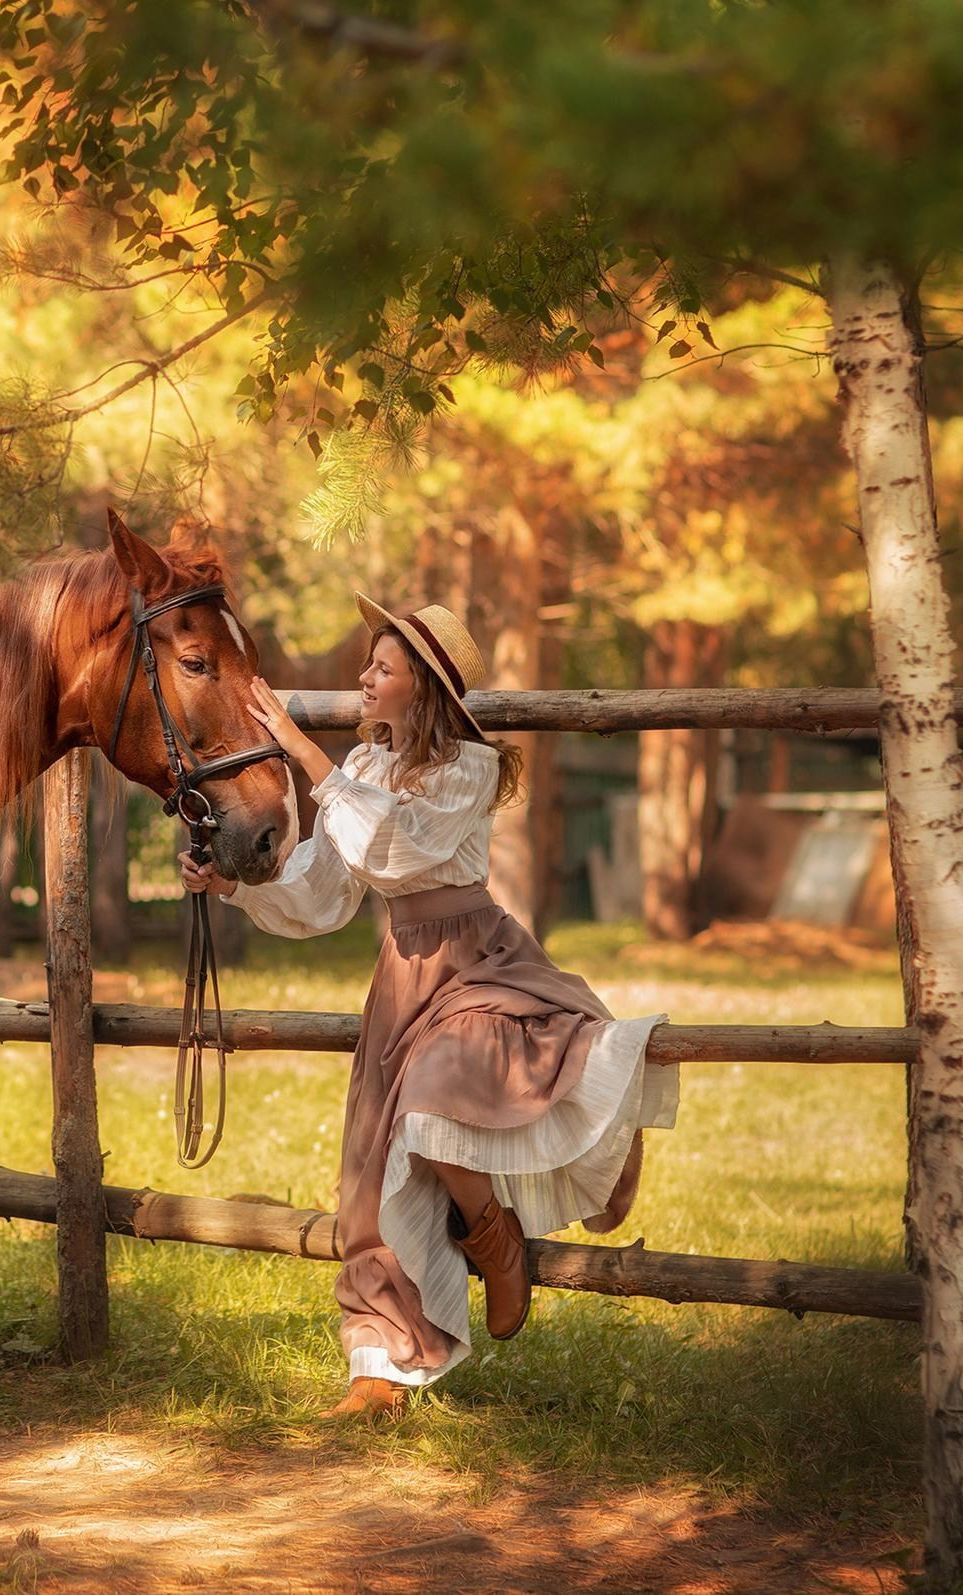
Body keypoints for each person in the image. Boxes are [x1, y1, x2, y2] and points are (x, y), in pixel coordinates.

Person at [182, 595, 678, 1417]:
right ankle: (380, 1365)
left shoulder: (466, 770)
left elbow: (400, 846)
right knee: (373, 1170)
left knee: (437, 1088)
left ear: (426, 687)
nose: (365, 678)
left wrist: (305, 752)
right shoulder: (366, 770)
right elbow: (330, 888)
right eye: (369, 664)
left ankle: (501, 1233)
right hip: (403, 974)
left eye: (383, 667)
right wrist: (232, 886)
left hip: (476, 959)